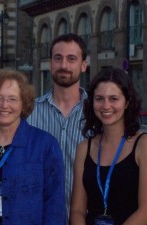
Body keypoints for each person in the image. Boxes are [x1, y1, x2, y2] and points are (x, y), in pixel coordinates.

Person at [0, 69, 66, 225]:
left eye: (12, 99)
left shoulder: (45, 145)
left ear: (24, 104)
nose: (4, 105)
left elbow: (54, 207)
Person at [70, 67, 147, 225]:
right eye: (99, 99)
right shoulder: (84, 148)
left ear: (127, 102)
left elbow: (145, 210)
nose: (106, 106)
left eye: (113, 99)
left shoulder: (143, 145)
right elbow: (77, 210)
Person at [27, 33, 88, 219]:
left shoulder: (97, 115)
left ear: (83, 65)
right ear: (50, 63)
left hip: (85, 217)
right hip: (39, 216)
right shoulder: (29, 114)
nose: (64, 66)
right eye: (58, 58)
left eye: (72, 59)